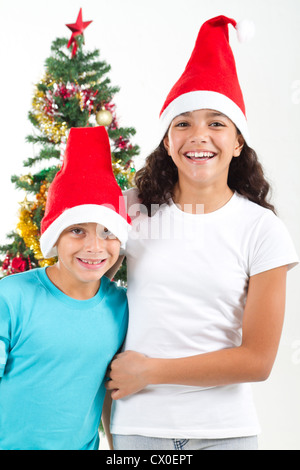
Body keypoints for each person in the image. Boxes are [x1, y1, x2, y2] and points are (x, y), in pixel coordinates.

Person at [106, 16, 299, 451]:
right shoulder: (132, 209)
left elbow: (259, 360)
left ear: (237, 142)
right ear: (168, 140)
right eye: (183, 123)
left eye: (216, 123)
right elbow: (81, 282)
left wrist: (150, 371)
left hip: (225, 433)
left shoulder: (262, 230)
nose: (199, 137)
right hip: (138, 429)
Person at [0, 126, 131, 450]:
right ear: (54, 238)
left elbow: (110, 391)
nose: (95, 247)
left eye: (107, 232)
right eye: (77, 231)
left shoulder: (121, 306)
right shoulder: (12, 297)